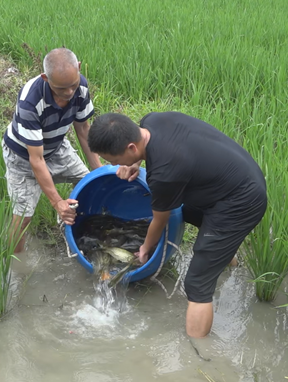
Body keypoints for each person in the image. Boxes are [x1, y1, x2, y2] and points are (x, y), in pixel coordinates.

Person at [87, 111, 267, 338]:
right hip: (233, 178)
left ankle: (197, 355)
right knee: (200, 226)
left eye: (114, 160)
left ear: (131, 147)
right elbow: (161, 155)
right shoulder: (151, 122)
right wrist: (137, 162)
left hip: (242, 201)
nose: (115, 165)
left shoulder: (164, 174)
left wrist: (144, 249)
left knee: (197, 283)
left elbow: (160, 220)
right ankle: (229, 267)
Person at [2, 48, 102, 253]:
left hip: (56, 146)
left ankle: (89, 236)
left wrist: (100, 172)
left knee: (91, 184)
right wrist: (57, 202)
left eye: (72, 86)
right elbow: (36, 160)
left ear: (79, 68)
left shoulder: (81, 86)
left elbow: (83, 129)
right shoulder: (30, 101)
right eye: (61, 88)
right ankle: (13, 263)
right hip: (23, 157)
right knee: (23, 217)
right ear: (45, 78)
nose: (69, 93)